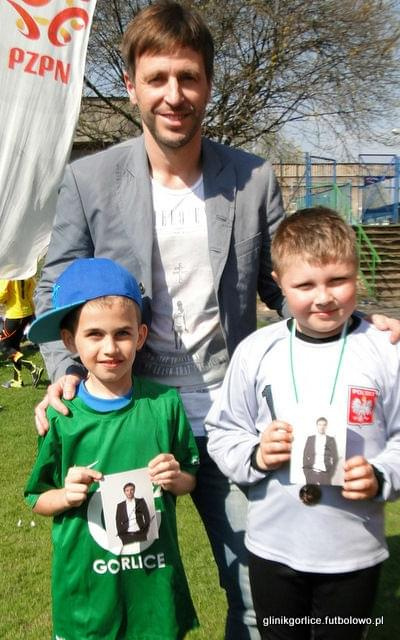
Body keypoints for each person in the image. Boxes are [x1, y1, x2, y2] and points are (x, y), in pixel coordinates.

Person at [32, 3, 400, 638]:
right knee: (123, 578)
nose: (174, 95)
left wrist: (355, 323)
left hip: (235, 419)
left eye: (189, 77)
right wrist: (67, 370)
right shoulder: (89, 179)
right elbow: (55, 286)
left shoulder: (254, 178)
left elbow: (283, 284)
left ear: (207, 82)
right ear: (132, 86)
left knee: (257, 596)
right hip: (135, 418)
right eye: (158, 79)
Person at [205, 207, 400, 640]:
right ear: (278, 284)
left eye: (337, 280)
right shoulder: (257, 351)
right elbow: (224, 430)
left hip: (354, 552)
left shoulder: (385, 350)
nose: (323, 297)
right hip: (274, 548)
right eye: (305, 285)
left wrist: (382, 475)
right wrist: (256, 454)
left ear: (357, 272)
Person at [25, 257, 200, 640]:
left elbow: (190, 479)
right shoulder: (62, 416)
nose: (110, 348)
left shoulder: (164, 405)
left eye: (122, 334)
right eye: (94, 335)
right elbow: (36, 499)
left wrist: (175, 477)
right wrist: (67, 495)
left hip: (152, 590)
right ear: (70, 341)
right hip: (87, 596)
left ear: (140, 336)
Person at [0, 277, 43, 388]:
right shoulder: (27, 273)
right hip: (27, 313)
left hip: (14, 315)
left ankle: (33, 368)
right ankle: (17, 380)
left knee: (4, 346)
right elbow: (31, 291)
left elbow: (2, 294)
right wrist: (33, 312)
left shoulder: (9, 274)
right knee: (14, 346)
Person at [302, 417, 339, 485]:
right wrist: (306, 472)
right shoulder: (310, 439)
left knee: (326, 492)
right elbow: (305, 456)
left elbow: (335, 458)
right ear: (317, 426)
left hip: (325, 473)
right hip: (311, 473)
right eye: (320, 424)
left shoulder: (331, 439)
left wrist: (331, 473)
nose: (322, 427)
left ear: (326, 426)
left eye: (324, 425)